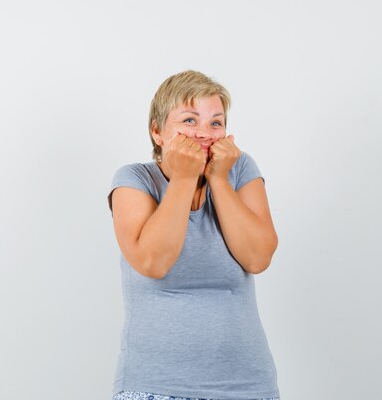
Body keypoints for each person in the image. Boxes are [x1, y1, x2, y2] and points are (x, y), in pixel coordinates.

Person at [108, 70, 280, 400]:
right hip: (156, 387)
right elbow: (153, 262)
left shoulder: (240, 170)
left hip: (248, 387)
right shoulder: (134, 179)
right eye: (189, 120)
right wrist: (185, 180)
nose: (204, 133)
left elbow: (258, 258)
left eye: (216, 123)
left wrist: (218, 179)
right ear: (157, 132)